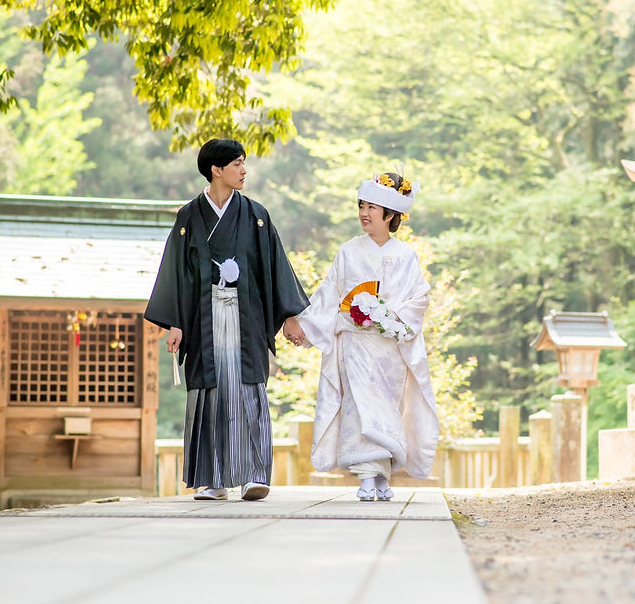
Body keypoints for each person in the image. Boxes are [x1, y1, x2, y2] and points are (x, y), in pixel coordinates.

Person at [145, 138, 308, 501]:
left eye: (243, 163)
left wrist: (289, 317)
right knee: (209, 395)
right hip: (203, 319)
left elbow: (274, 269)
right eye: (236, 164)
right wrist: (175, 322)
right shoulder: (189, 217)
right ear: (216, 169)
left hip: (245, 316)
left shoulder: (256, 216)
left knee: (247, 391)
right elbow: (176, 273)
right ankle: (212, 479)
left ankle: (253, 475)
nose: (244, 170)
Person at [290, 172, 439, 501]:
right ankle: (368, 478)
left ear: (390, 215)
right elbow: (329, 294)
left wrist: (389, 315)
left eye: (372, 207)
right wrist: (303, 323)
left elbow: (420, 298)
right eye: (361, 205)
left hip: (389, 348)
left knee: (387, 407)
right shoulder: (348, 251)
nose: (364, 213)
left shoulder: (406, 256)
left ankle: (382, 474)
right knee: (360, 407)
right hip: (354, 343)